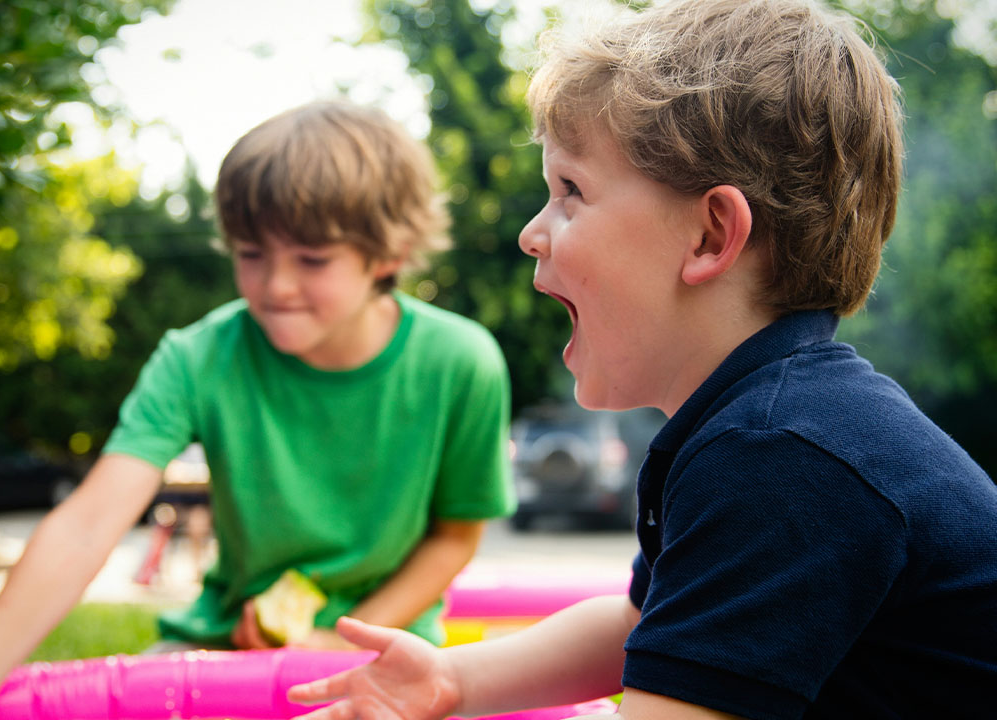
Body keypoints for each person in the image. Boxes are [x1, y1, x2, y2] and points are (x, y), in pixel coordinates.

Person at [286, 1, 997, 718]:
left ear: (710, 236)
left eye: (571, 191)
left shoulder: (783, 456)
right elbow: (638, 626)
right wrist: (454, 681)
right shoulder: (764, 424)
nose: (533, 232)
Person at [0, 100, 515, 720]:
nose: (275, 285)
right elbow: (85, 526)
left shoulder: (461, 362)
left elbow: (453, 536)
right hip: (222, 646)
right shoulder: (197, 357)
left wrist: (339, 639)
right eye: (250, 253)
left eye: (312, 259)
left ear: (389, 254)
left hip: (389, 655)